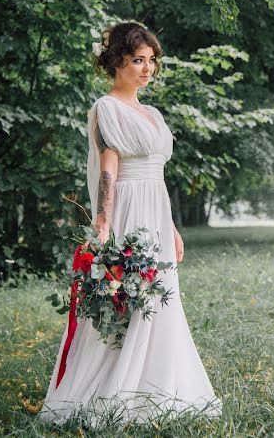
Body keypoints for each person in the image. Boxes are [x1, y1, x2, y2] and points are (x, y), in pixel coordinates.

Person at [38, 22, 223, 428]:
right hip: (128, 214)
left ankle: (157, 388)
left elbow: (158, 178)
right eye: (138, 60)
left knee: (160, 297)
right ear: (116, 61)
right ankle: (111, 391)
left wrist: (171, 226)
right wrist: (103, 225)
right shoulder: (107, 109)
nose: (147, 68)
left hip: (155, 211)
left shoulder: (153, 113)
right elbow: (109, 170)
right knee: (130, 298)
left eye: (151, 60)